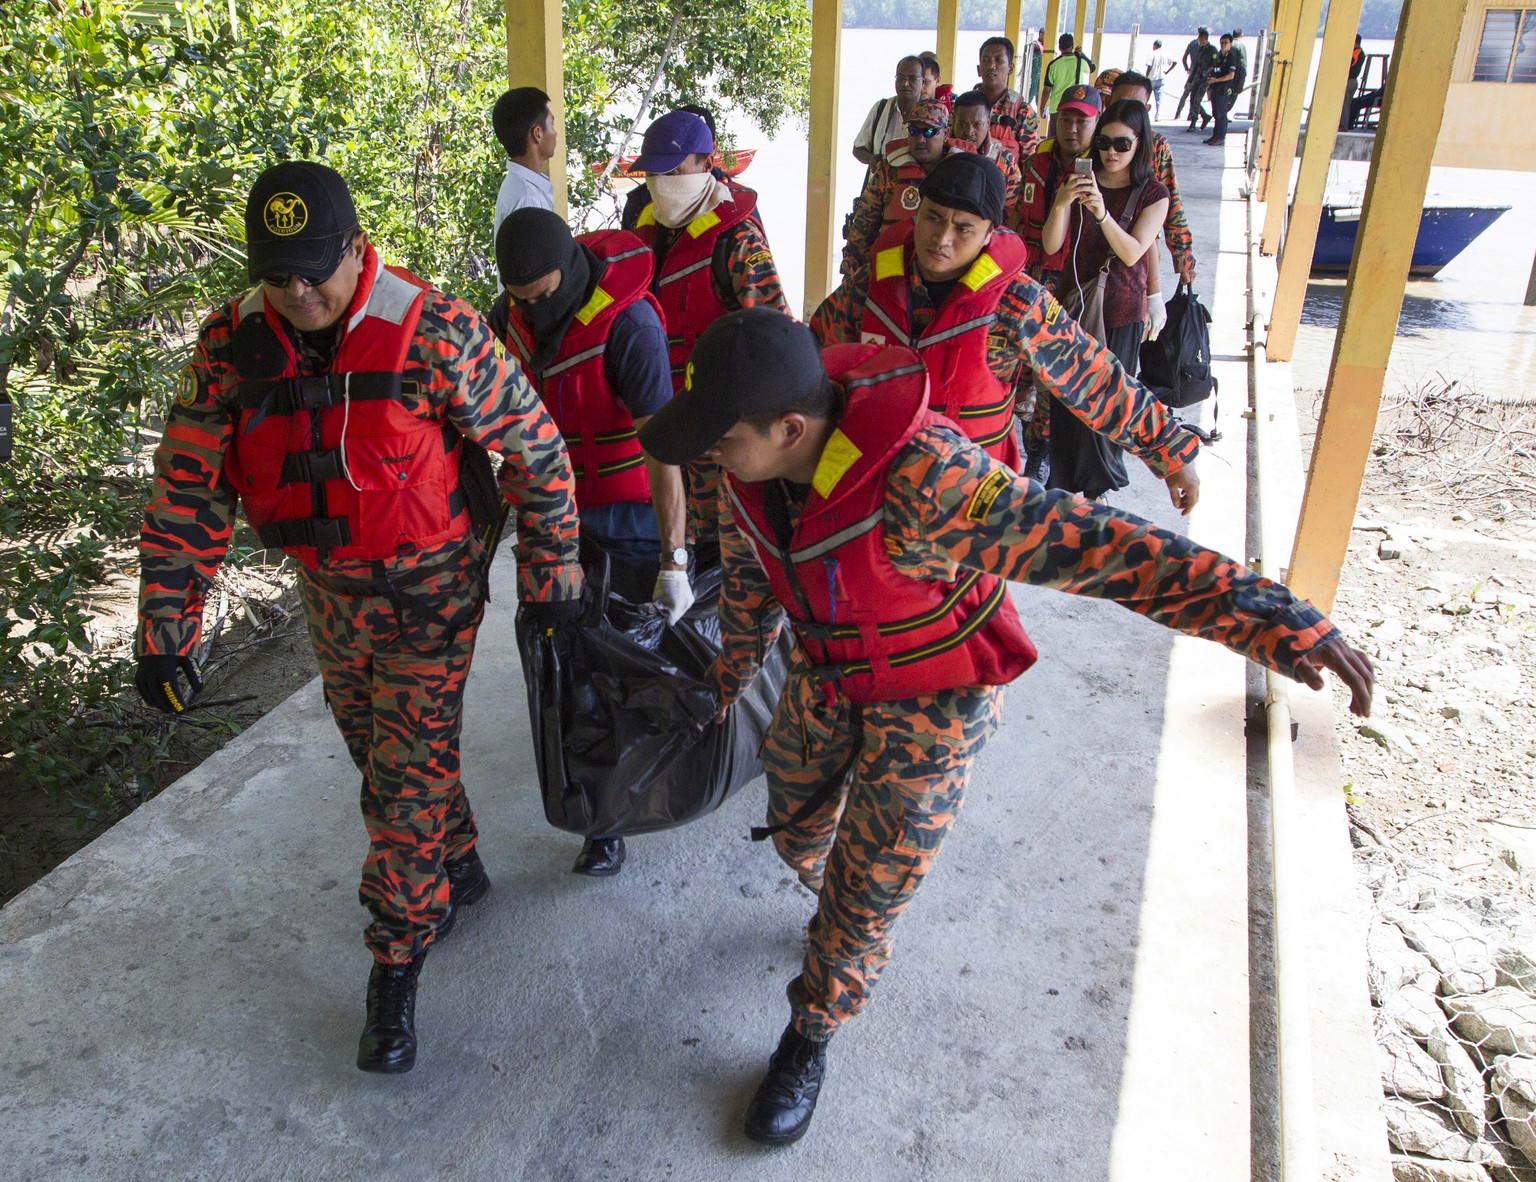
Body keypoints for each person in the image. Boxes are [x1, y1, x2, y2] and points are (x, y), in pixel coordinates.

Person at [636, 309, 1375, 1146]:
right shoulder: (748, 476)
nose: (707, 452)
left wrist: (1273, 617)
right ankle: (832, 892)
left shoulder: (932, 479)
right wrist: (728, 680)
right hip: (830, 675)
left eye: (721, 436)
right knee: (797, 829)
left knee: (865, 891)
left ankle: (812, 1028)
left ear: (789, 429)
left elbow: (1105, 547)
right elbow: (748, 585)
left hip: (931, 699)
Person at [135, 161, 583, 1075]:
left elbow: (538, 452)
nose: (299, 295)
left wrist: (551, 575)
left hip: (431, 591)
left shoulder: (435, 330)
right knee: (376, 751)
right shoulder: (229, 345)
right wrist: (166, 628)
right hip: (331, 596)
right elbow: (189, 484)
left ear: (354, 247)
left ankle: (396, 961)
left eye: (314, 273)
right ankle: (458, 864)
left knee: (400, 784)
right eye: (278, 277)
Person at [811, 152, 1200, 509]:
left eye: (963, 228)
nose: (942, 239)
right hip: (876, 491)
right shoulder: (871, 287)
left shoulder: (1017, 303)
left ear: (988, 235)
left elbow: (1094, 376)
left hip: (967, 502)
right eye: (933, 217)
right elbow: (812, 359)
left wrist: (1171, 452)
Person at [491, 209, 692, 878]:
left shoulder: (629, 326)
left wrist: (674, 558)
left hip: (626, 516)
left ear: (570, 273)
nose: (534, 311)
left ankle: (621, 804)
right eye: (521, 300)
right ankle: (595, 811)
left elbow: (664, 451)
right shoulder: (509, 317)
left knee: (619, 669)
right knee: (562, 665)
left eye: (544, 296)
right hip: (549, 519)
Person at [629, 108, 789, 563]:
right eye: (654, 174)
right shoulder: (647, 227)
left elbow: (776, 336)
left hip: (725, 427)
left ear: (707, 163)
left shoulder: (737, 239)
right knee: (677, 539)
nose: (662, 184)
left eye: (675, 172)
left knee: (733, 544)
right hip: (664, 416)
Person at [1042, 98, 1171, 499]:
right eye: (1103, 143)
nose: (1111, 153)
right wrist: (1062, 202)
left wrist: (1100, 213)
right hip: (1074, 304)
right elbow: (1051, 245)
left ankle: (1098, 492)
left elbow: (1133, 252)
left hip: (1119, 312)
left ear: (1140, 144)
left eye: (1122, 144)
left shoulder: (1153, 194)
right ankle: (1064, 487)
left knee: (1106, 405)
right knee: (1066, 401)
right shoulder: (1081, 177)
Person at [841, 98, 971, 281]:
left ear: (946, 133)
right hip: (892, 267)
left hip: (944, 272)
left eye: (929, 131)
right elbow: (862, 228)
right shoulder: (888, 171)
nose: (920, 139)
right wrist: (854, 271)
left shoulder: (964, 173)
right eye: (913, 131)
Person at [1109, 70, 1197, 284]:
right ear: (1108, 103)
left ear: (1147, 110)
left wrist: (1183, 257)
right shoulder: (1099, 140)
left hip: (1141, 244)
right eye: (1120, 104)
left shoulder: (1156, 146)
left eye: (1135, 107)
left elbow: (1171, 200)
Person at [1018, 82, 1102, 281]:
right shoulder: (1036, 160)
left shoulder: (1103, 169)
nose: (1071, 129)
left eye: (1082, 121)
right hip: (1029, 271)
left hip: (1074, 279)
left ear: (1097, 121)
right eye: (1065, 119)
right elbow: (1019, 212)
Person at [491, 87, 558, 286]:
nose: (555, 133)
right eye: (552, 124)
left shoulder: (523, 187)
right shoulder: (526, 197)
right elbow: (533, 282)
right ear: (537, 133)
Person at [948, 89, 1023, 224]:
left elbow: (1013, 211)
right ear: (953, 121)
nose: (969, 132)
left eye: (977, 125)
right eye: (962, 124)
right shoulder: (941, 153)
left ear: (988, 123)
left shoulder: (1004, 160)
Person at [974, 36, 1042, 158]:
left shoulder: (1023, 112)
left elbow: (1029, 161)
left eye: (999, 60)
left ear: (1010, 68)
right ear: (979, 70)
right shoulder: (964, 106)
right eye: (986, 60)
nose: (991, 66)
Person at [852, 56, 925, 168]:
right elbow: (858, 148)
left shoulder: (929, 114)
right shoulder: (880, 108)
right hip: (880, 179)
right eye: (900, 77)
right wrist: (871, 159)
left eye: (912, 78)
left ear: (923, 82)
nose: (905, 83)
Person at [1041, 33, 1096, 120]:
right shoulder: (1080, 62)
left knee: (1055, 129)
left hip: (1056, 108)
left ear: (1059, 47)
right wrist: (1082, 54)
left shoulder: (1053, 65)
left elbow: (1047, 90)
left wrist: (1042, 108)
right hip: (1074, 106)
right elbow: (1092, 67)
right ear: (1072, 46)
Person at [1205, 34, 1241, 147]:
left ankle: (1221, 137)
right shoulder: (1220, 55)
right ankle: (1215, 135)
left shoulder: (1231, 56)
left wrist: (1216, 80)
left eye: (1226, 43)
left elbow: (1231, 75)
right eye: (1221, 42)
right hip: (1216, 88)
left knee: (1221, 114)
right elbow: (1218, 69)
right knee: (1216, 113)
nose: (1223, 45)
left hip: (1224, 89)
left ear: (1230, 43)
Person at [1180, 27, 1216, 131]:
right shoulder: (1200, 50)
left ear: (1204, 38)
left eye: (1200, 38)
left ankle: (1193, 122)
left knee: (1197, 100)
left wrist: (1209, 73)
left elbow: (1215, 65)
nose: (1198, 39)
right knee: (1192, 99)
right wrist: (1190, 80)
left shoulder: (1212, 50)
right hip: (1197, 78)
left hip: (1206, 79)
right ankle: (1205, 115)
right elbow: (1196, 66)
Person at [1144, 39, 1176, 118]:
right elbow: (1175, 62)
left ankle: (1144, 114)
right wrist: (1167, 71)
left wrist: (1146, 77)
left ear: (1154, 45)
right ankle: (1158, 115)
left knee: (1146, 97)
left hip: (1151, 78)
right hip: (1162, 77)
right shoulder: (1166, 53)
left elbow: (1149, 66)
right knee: (1159, 99)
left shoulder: (1152, 54)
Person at [1341, 34, 1365, 131]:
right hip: (1353, 81)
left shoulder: (1356, 52)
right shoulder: (1359, 52)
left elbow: (1349, 63)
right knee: (1346, 104)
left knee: (1344, 105)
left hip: (1349, 81)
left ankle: (1343, 126)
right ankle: (1344, 125)